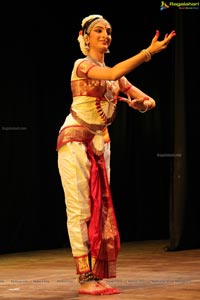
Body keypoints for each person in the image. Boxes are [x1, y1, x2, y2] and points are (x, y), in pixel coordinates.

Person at [56, 14, 176, 295]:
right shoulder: (82, 65)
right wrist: (148, 53)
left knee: (99, 211)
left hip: (100, 144)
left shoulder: (116, 77)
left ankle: (95, 275)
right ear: (85, 37)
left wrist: (140, 104)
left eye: (108, 31)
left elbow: (150, 100)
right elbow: (111, 74)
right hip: (75, 139)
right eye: (98, 30)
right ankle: (84, 278)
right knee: (80, 211)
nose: (105, 35)